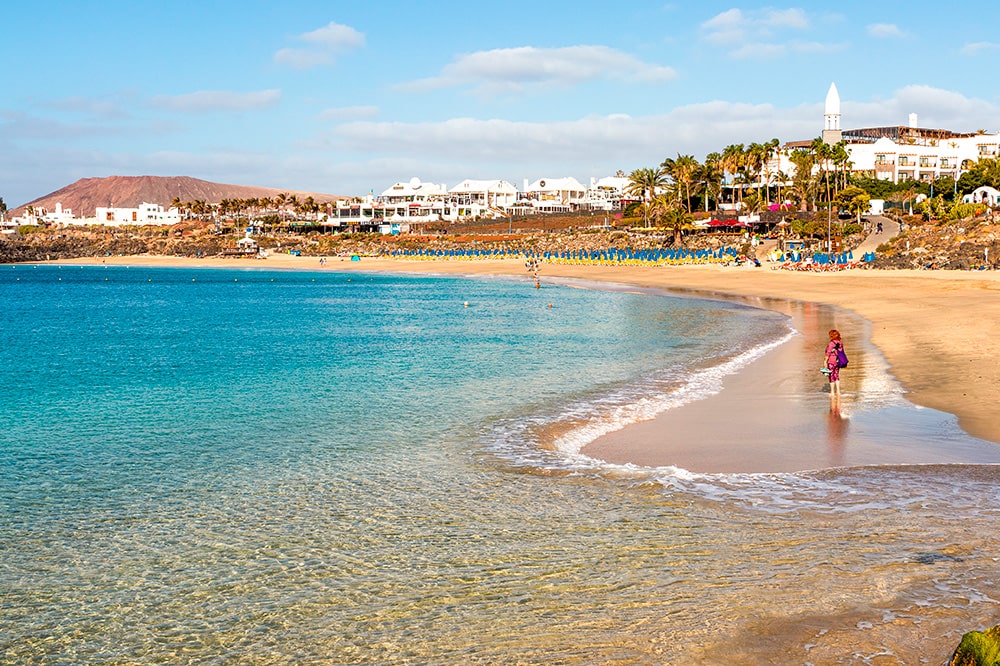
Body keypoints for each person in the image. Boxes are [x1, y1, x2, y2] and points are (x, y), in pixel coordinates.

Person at [825, 329, 846, 399]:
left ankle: (832, 392)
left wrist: (825, 361)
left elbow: (828, 353)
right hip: (838, 361)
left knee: (831, 376)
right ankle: (838, 391)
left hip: (831, 361)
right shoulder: (840, 343)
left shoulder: (831, 343)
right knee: (836, 375)